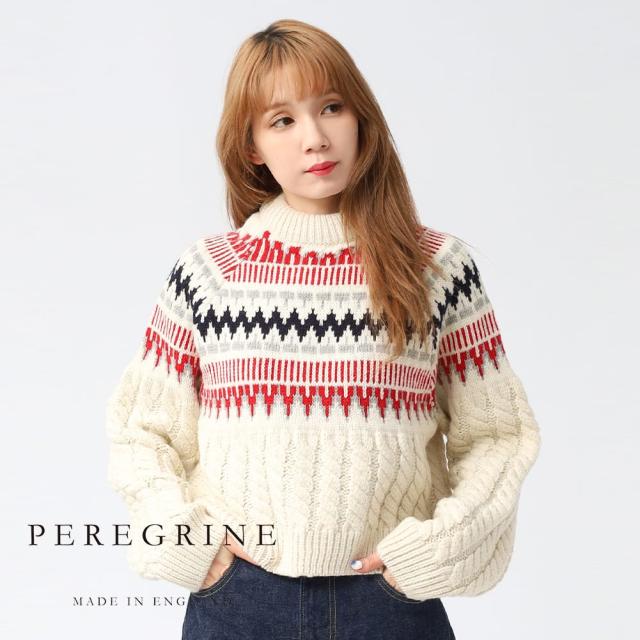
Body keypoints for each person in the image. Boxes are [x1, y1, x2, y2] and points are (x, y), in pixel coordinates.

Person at [105, 18, 541, 640]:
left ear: (360, 117)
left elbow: (497, 434)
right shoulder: (209, 273)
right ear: (252, 146)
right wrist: (191, 546)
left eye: (331, 107)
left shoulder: (435, 268)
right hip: (239, 601)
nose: (315, 138)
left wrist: (435, 548)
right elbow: (142, 433)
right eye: (282, 120)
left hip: (390, 605)